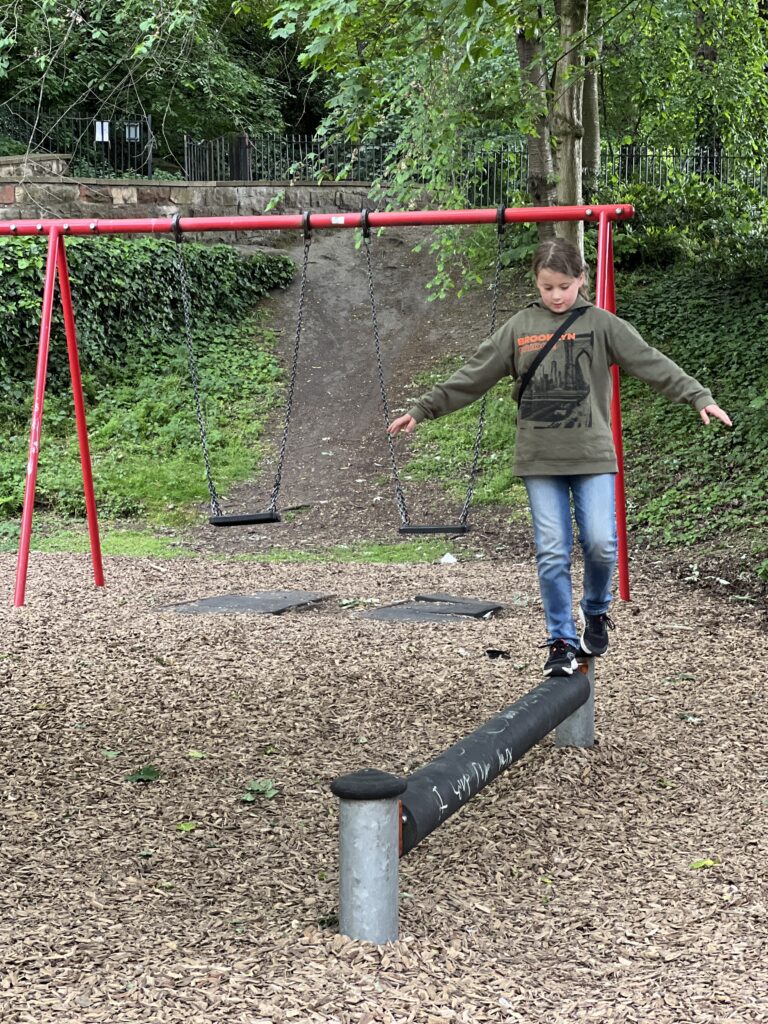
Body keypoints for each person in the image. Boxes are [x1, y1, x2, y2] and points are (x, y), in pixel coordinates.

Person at [388, 238, 732, 677]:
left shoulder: (601, 324)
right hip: (540, 459)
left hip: (591, 456)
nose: (556, 295)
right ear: (536, 282)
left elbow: (650, 362)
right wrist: (424, 408)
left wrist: (697, 396)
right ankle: (560, 640)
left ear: (582, 280)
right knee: (552, 551)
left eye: (565, 286)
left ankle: (595, 609)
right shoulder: (519, 327)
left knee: (601, 544)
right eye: (548, 286)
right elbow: (474, 374)